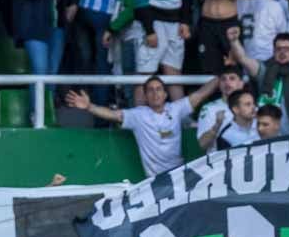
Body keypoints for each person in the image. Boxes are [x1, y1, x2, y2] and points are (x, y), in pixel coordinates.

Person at [65, 75, 219, 178]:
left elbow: (201, 94)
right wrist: (89, 107)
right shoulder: (138, 115)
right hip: (154, 180)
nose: (155, 93)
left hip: (179, 175)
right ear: (145, 96)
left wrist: (221, 75)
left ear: (165, 94)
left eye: (159, 89)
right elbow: (112, 115)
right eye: (150, 90)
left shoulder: (176, 109)